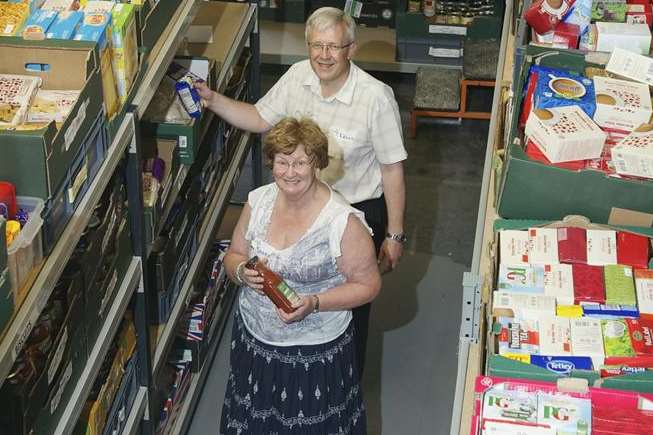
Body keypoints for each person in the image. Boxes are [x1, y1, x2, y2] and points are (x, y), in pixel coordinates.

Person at [196, 6, 407, 377]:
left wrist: (394, 234)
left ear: (351, 49)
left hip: (352, 217)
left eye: (334, 47)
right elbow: (260, 118)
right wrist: (213, 101)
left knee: (346, 315)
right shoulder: (297, 77)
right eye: (316, 46)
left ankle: (340, 383)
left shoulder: (375, 98)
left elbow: (391, 170)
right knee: (291, 296)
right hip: (298, 208)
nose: (324, 56)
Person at [221, 117, 381, 434]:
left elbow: (369, 285)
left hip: (313, 354)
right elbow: (234, 255)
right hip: (254, 340)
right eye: (282, 162)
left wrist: (314, 302)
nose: (290, 172)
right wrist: (240, 271)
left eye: (300, 163)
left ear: (317, 164)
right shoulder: (258, 201)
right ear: (272, 162)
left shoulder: (341, 221)